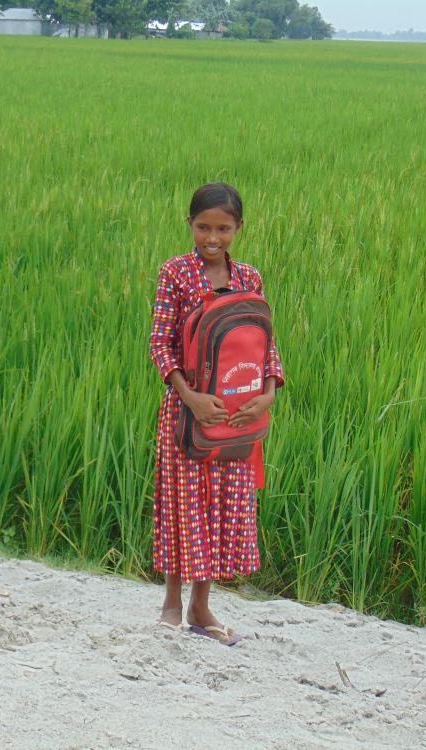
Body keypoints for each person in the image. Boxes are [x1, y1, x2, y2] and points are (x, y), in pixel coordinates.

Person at [148, 182, 284, 645]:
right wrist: (191, 397)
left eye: (223, 228)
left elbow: (266, 342)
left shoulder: (250, 277)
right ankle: (171, 603)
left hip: (238, 414)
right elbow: (161, 346)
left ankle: (201, 606)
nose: (213, 237)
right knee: (183, 503)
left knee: (222, 506)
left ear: (238, 228)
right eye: (203, 226)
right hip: (189, 414)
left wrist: (268, 393)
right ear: (189, 224)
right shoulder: (176, 273)